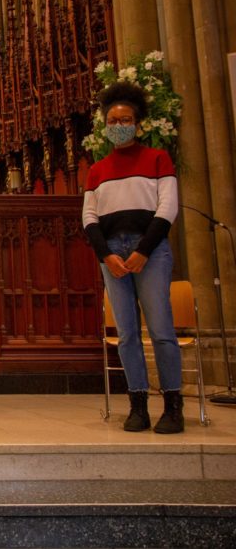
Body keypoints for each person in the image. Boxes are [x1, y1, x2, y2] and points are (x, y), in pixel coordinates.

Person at [82, 81, 183, 433]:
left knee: (161, 331)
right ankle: (137, 405)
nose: (118, 125)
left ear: (137, 124)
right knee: (126, 334)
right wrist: (106, 255)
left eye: (124, 119)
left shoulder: (157, 158)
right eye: (112, 120)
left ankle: (173, 407)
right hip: (112, 254)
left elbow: (168, 208)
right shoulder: (97, 169)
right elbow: (89, 217)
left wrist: (143, 250)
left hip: (148, 251)